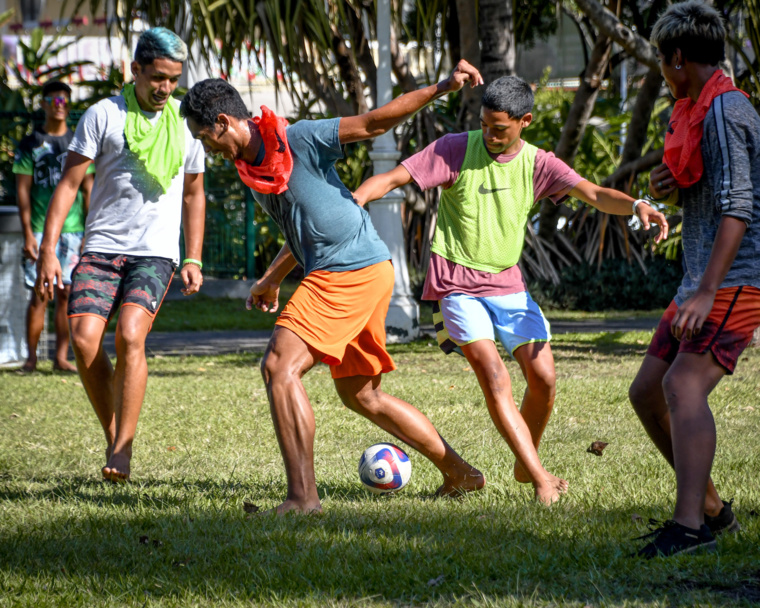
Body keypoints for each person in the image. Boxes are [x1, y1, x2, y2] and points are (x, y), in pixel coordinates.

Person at [181, 62, 487, 515]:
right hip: (363, 267)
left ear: (224, 122)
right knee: (362, 394)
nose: (207, 147)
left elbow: (373, 123)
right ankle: (462, 474)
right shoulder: (254, 173)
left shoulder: (300, 137)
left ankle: (303, 499)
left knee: (279, 367)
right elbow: (303, 231)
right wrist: (270, 280)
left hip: (347, 270)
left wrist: (443, 87)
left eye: (205, 136)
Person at [353, 75, 669, 504]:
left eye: (499, 128)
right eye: (484, 124)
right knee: (496, 377)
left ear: (525, 121)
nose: (489, 134)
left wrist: (635, 205)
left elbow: (593, 193)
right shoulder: (455, 148)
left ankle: (525, 462)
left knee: (543, 380)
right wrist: (356, 200)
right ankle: (540, 478)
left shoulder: (539, 163)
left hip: (509, 285)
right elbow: (393, 178)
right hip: (456, 285)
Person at [35, 28, 206, 482]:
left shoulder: (186, 124)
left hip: (155, 253)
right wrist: (49, 250)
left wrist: (194, 257)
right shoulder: (102, 115)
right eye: (157, 78)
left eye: (173, 79)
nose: (165, 88)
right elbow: (68, 185)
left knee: (131, 335)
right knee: (85, 339)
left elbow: (193, 194)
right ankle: (114, 432)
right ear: (135, 70)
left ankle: (123, 451)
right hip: (102, 247)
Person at [627, 0, 760, 558]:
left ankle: (689, 528)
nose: (661, 71)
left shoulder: (728, 110)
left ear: (678, 58)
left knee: (682, 387)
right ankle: (709, 508)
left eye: (661, 60)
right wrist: (669, 185)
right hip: (700, 281)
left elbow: (739, 206)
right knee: (647, 393)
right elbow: (709, 190)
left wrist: (707, 290)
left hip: (734, 283)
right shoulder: (698, 110)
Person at [14, 81, 95, 373]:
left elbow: (89, 190)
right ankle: (31, 359)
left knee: (65, 295)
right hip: (39, 230)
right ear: (44, 104)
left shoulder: (79, 142)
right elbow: (23, 192)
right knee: (39, 295)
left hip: (73, 232)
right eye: (54, 100)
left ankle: (61, 359)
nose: (60, 105)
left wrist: (89, 233)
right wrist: (27, 235)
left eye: (64, 100)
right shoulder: (29, 144)